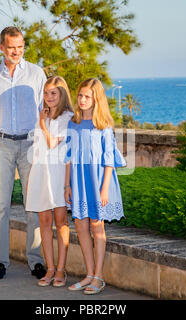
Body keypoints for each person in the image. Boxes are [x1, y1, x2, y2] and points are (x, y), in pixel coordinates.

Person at [0, 26, 47, 280]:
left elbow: (45, 112)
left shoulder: (37, 74)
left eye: (20, 47)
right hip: (0, 145)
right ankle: (1, 261)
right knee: (0, 206)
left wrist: (44, 148)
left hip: (30, 146)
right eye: (11, 47)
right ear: (1, 48)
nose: (16, 51)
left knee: (34, 206)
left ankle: (36, 260)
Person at [64, 78, 126, 294]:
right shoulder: (73, 123)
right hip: (78, 181)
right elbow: (69, 157)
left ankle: (99, 277)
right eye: (80, 95)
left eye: (87, 96)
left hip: (98, 180)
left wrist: (104, 188)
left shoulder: (104, 125)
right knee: (80, 226)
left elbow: (109, 159)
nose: (82, 100)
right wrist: (67, 185)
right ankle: (89, 274)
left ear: (96, 99)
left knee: (97, 227)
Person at [25, 76, 74, 287]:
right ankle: (50, 268)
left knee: (61, 222)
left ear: (62, 94)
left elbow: (53, 144)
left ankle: (61, 269)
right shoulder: (42, 116)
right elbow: (37, 149)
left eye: (53, 93)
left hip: (58, 174)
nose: (49, 97)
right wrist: (30, 179)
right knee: (44, 222)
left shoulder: (68, 118)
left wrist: (43, 125)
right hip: (41, 173)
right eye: (46, 93)